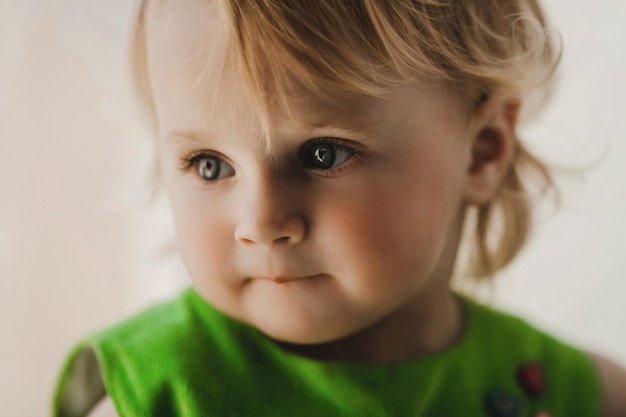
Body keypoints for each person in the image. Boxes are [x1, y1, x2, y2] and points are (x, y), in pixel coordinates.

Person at [53, 0, 626, 416]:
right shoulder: (159, 391)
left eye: (323, 154)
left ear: (481, 151)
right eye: (210, 165)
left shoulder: (552, 385)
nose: (262, 223)